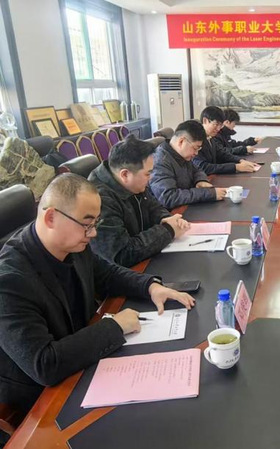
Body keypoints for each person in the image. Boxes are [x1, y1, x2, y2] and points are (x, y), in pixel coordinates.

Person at [0, 174, 195, 420]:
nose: (93, 233)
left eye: (95, 223)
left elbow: (107, 274)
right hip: (44, 398)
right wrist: (114, 326)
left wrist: (150, 287)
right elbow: (44, 364)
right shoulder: (9, 280)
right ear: (51, 218)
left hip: (83, 357)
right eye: (87, 224)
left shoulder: (71, 242)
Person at [89, 135, 190, 267]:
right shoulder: (99, 199)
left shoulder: (132, 182)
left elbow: (153, 206)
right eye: (148, 174)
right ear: (125, 174)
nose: (151, 178)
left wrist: (166, 218)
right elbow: (121, 255)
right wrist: (168, 230)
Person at [150, 120, 228, 209]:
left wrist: (200, 180)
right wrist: (208, 194)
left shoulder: (181, 154)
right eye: (195, 148)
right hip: (174, 213)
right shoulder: (160, 161)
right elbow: (168, 197)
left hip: (188, 206)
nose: (196, 153)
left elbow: (197, 169)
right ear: (181, 141)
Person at [193, 106, 259, 175]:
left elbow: (222, 154)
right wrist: (235, 167)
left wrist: (241, 160)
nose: (218, 129)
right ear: (205, 121)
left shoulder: (210, 137)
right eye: (216, 124)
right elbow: (203, 167)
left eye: (221, 125)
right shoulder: (196, 139)